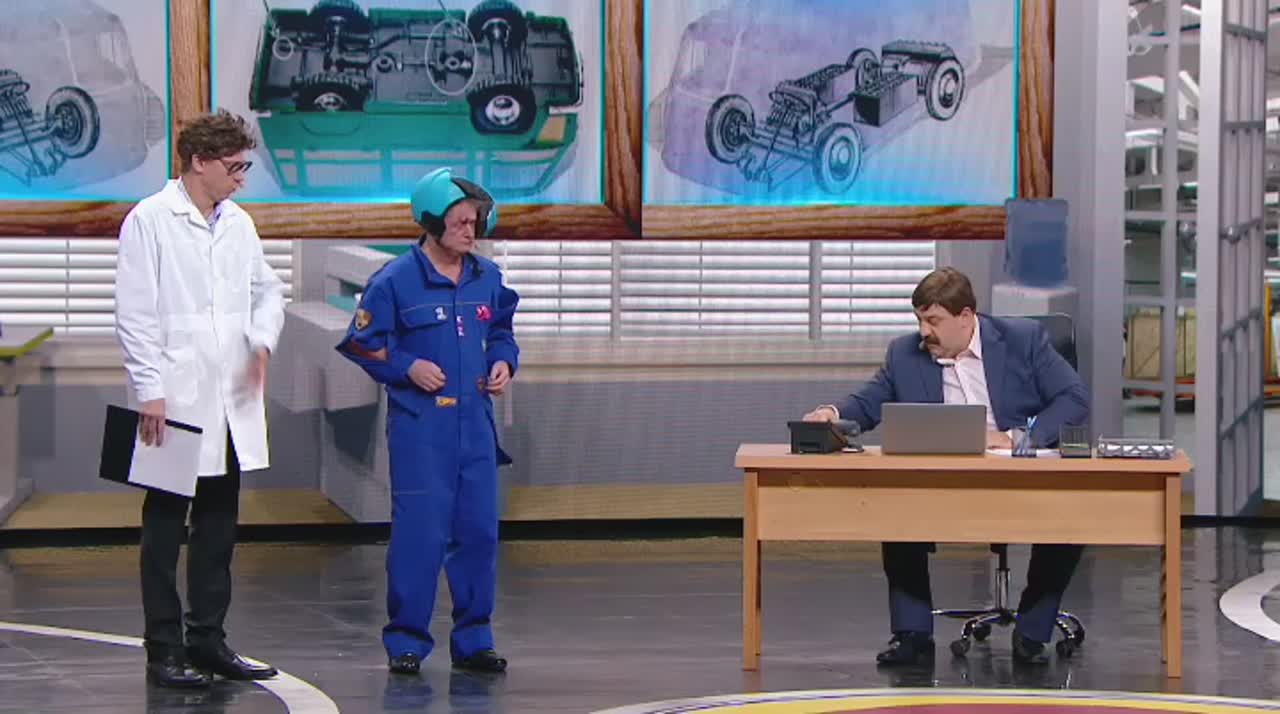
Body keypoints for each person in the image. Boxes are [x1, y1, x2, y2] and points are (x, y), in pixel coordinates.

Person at [803, 267, 1089, 666]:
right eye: (920, 320)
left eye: (933, 321)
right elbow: (868, 402)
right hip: (943, 480)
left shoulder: (1023, 340)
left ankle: (1032, 630)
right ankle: (913, 635)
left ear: (966, 316)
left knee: (1072, 519)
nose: (924, 331)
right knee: (895, 508)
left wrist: (1017, 437)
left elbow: (1074, 398)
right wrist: (831, 414)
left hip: (1018, 472)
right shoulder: (904, 354)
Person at [114, 110, 284, 688]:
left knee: (217, 526)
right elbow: (135, 312)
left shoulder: (238, 223)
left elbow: (267, 290)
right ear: (198, 162)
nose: (241, 178)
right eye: (233, 167)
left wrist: (261, 341)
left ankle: (208, 640)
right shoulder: (150, 220)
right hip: (173, 399)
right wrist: (149, 391)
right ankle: (163, 649)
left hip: (230, 400)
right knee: (165, 529)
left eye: (244, 167)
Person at [336, 167, 519, 675]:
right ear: (432, 222)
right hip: (421, 431)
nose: (470, 231)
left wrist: (504, 361)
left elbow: (502, 331)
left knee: (478, 534)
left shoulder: (487, 277)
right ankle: (407, 641)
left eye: (475, 222)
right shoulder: (394, 281)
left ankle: (474, 640)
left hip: (476, 427)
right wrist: (406, 367)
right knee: (420, 536)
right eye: (459, 222)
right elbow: (361, 343)